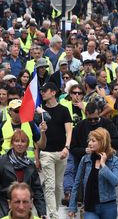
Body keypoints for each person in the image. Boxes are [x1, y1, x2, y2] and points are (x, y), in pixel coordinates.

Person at [0, 129, 47, 219]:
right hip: (3, 208)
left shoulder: (31, 165)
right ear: (12, 143)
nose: (20, 144)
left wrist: (42, 213)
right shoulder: (0, 162)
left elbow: (37, 192)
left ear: (27, 145)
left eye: (23, 141)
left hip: (23, 209)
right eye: (16, 141)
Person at [68, 127, 118, 218]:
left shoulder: (114, 160)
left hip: (108, 206)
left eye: (93, 141)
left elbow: (115, 181)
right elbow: (77, 183)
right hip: (90, 206)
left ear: (102, 142)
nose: (89, 143)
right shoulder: (85, 159)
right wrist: (72, 207)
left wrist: (103, 165)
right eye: (89, 141)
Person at [38, 82, 72, 219]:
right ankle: (53, 215)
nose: (42, 93)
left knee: (58, 186)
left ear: (53, 92)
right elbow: (37, 139)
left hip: (61, 152)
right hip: (46, 153)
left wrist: (67, 147)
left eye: (45, 90)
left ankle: (55, 210)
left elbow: (69, 131)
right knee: (50, 185)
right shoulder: (39, 111)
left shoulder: (63, 110)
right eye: (41, 91)